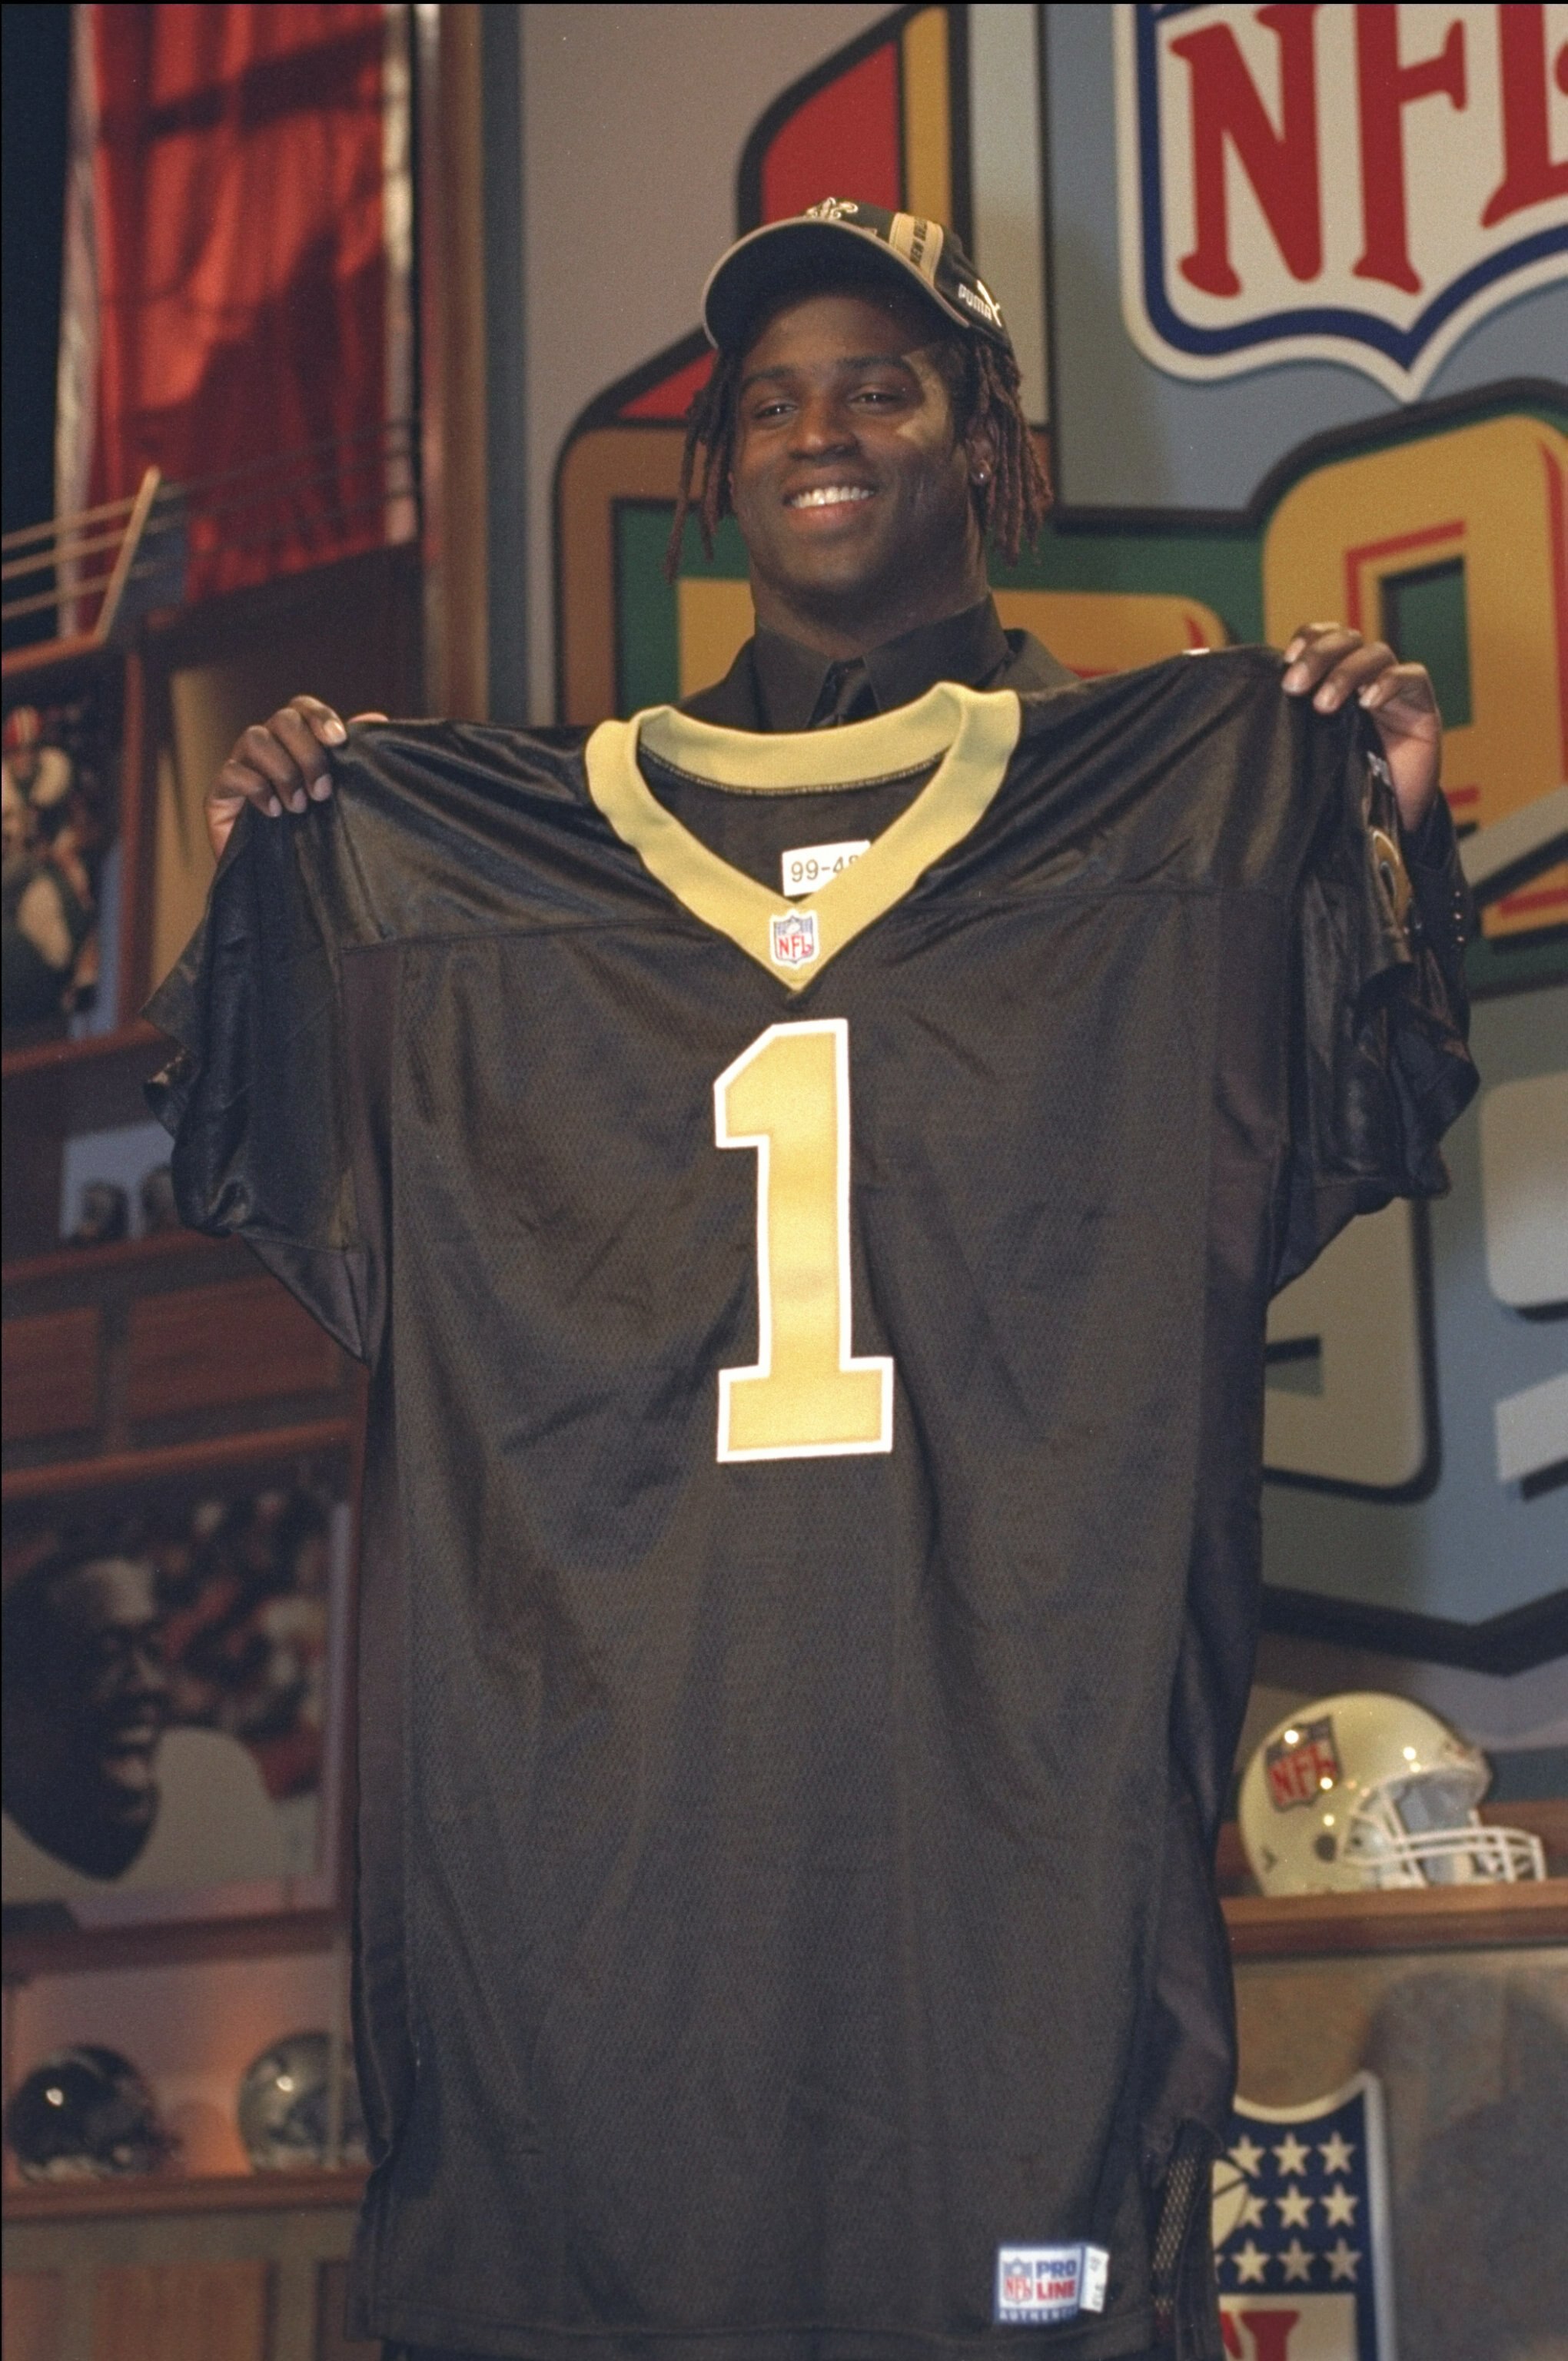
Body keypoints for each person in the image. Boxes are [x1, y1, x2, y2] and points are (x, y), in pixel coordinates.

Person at [158, 204, 1473, 2361]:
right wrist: (301, 890)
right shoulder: (477, 869)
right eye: (766, 400)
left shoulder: (1168, 823)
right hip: (618, 1877)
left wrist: (1381, 831)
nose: (817, 431)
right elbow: (283, 1151)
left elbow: (1324, 1135)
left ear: (983, 442)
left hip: (996, 1870)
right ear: (718, 474)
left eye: (880, 384)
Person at [2, 1550, 287, 1900]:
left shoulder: (216, 1778)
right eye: (103, 1657)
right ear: (16, 1705)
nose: (148, 1683)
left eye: (153, 1650)